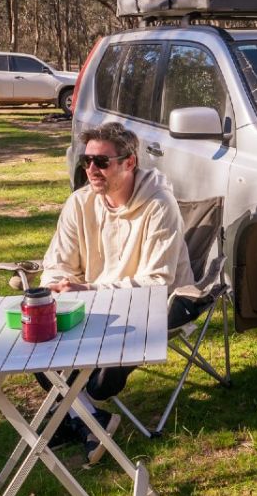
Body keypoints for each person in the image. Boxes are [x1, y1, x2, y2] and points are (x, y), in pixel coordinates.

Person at [35, 121, 191, 463]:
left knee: (100, 385)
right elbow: (57, 262)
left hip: (150, 310)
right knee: (37, 342)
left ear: (129, 162)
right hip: (93, 305)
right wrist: (56, 286)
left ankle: (77, 416)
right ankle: (92, 420)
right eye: (86, 161)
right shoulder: (79, 204)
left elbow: (158, 282)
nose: (91, 169)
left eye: (101, 162)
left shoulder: (159, 206)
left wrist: (91, 288)